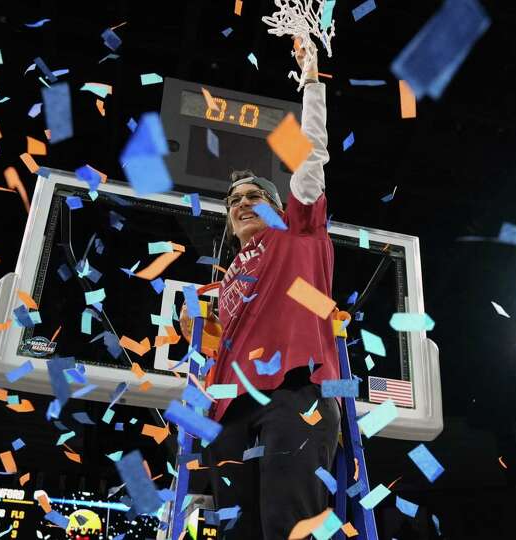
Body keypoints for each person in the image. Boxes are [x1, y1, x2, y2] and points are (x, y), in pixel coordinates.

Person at [180, 39, 341, 539]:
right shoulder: (227, 277)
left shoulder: (297, 229)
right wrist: (196, 333)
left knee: (286, 525)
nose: (242, 203)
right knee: (236, 531)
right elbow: (217, 343)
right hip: (230, 409)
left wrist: (311, 79)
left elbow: (310, 151)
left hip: (297, 392)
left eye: (254, 195)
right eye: (234, 200)